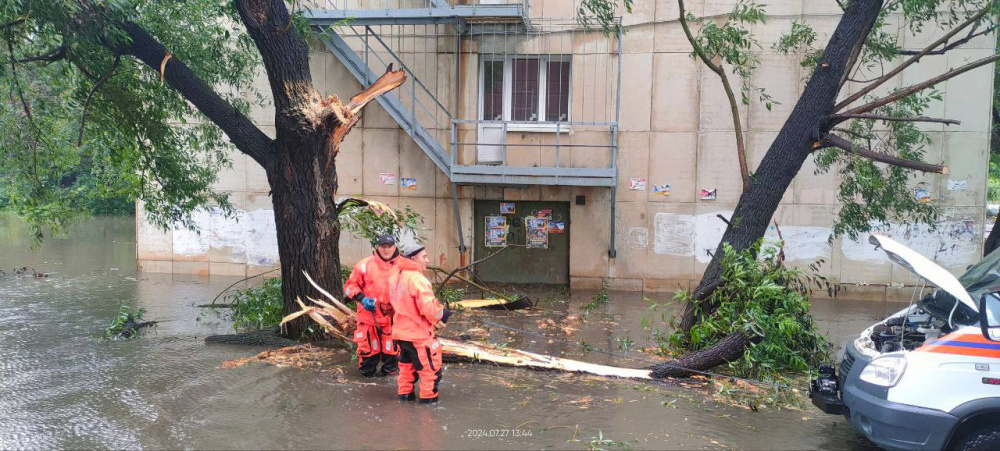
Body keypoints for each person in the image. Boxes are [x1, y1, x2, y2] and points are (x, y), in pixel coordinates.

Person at [343, 234, 417, 377]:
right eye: (383, 246)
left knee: (392, 363)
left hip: (393, 321)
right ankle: (367, 391)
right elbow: (349, 286)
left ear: (395, 247)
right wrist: (362, 298)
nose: (387, 249)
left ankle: (389, 393)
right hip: (368, 319)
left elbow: (415, 289)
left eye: (389, 246)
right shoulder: (364, 265)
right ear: (378, 247)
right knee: (367, 363)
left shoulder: (405, 266)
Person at [388, 243, 451, 403]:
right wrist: (443, 314)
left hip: (401, 335)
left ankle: (405, 401)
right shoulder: (417, 279)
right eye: (424, 257)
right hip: (419, 336)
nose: (427, 260)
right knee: (430, 372)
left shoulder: (394, 276)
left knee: (406, 370)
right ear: (413, 258)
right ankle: (427, 411)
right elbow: (429, 309)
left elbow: (386, 303)